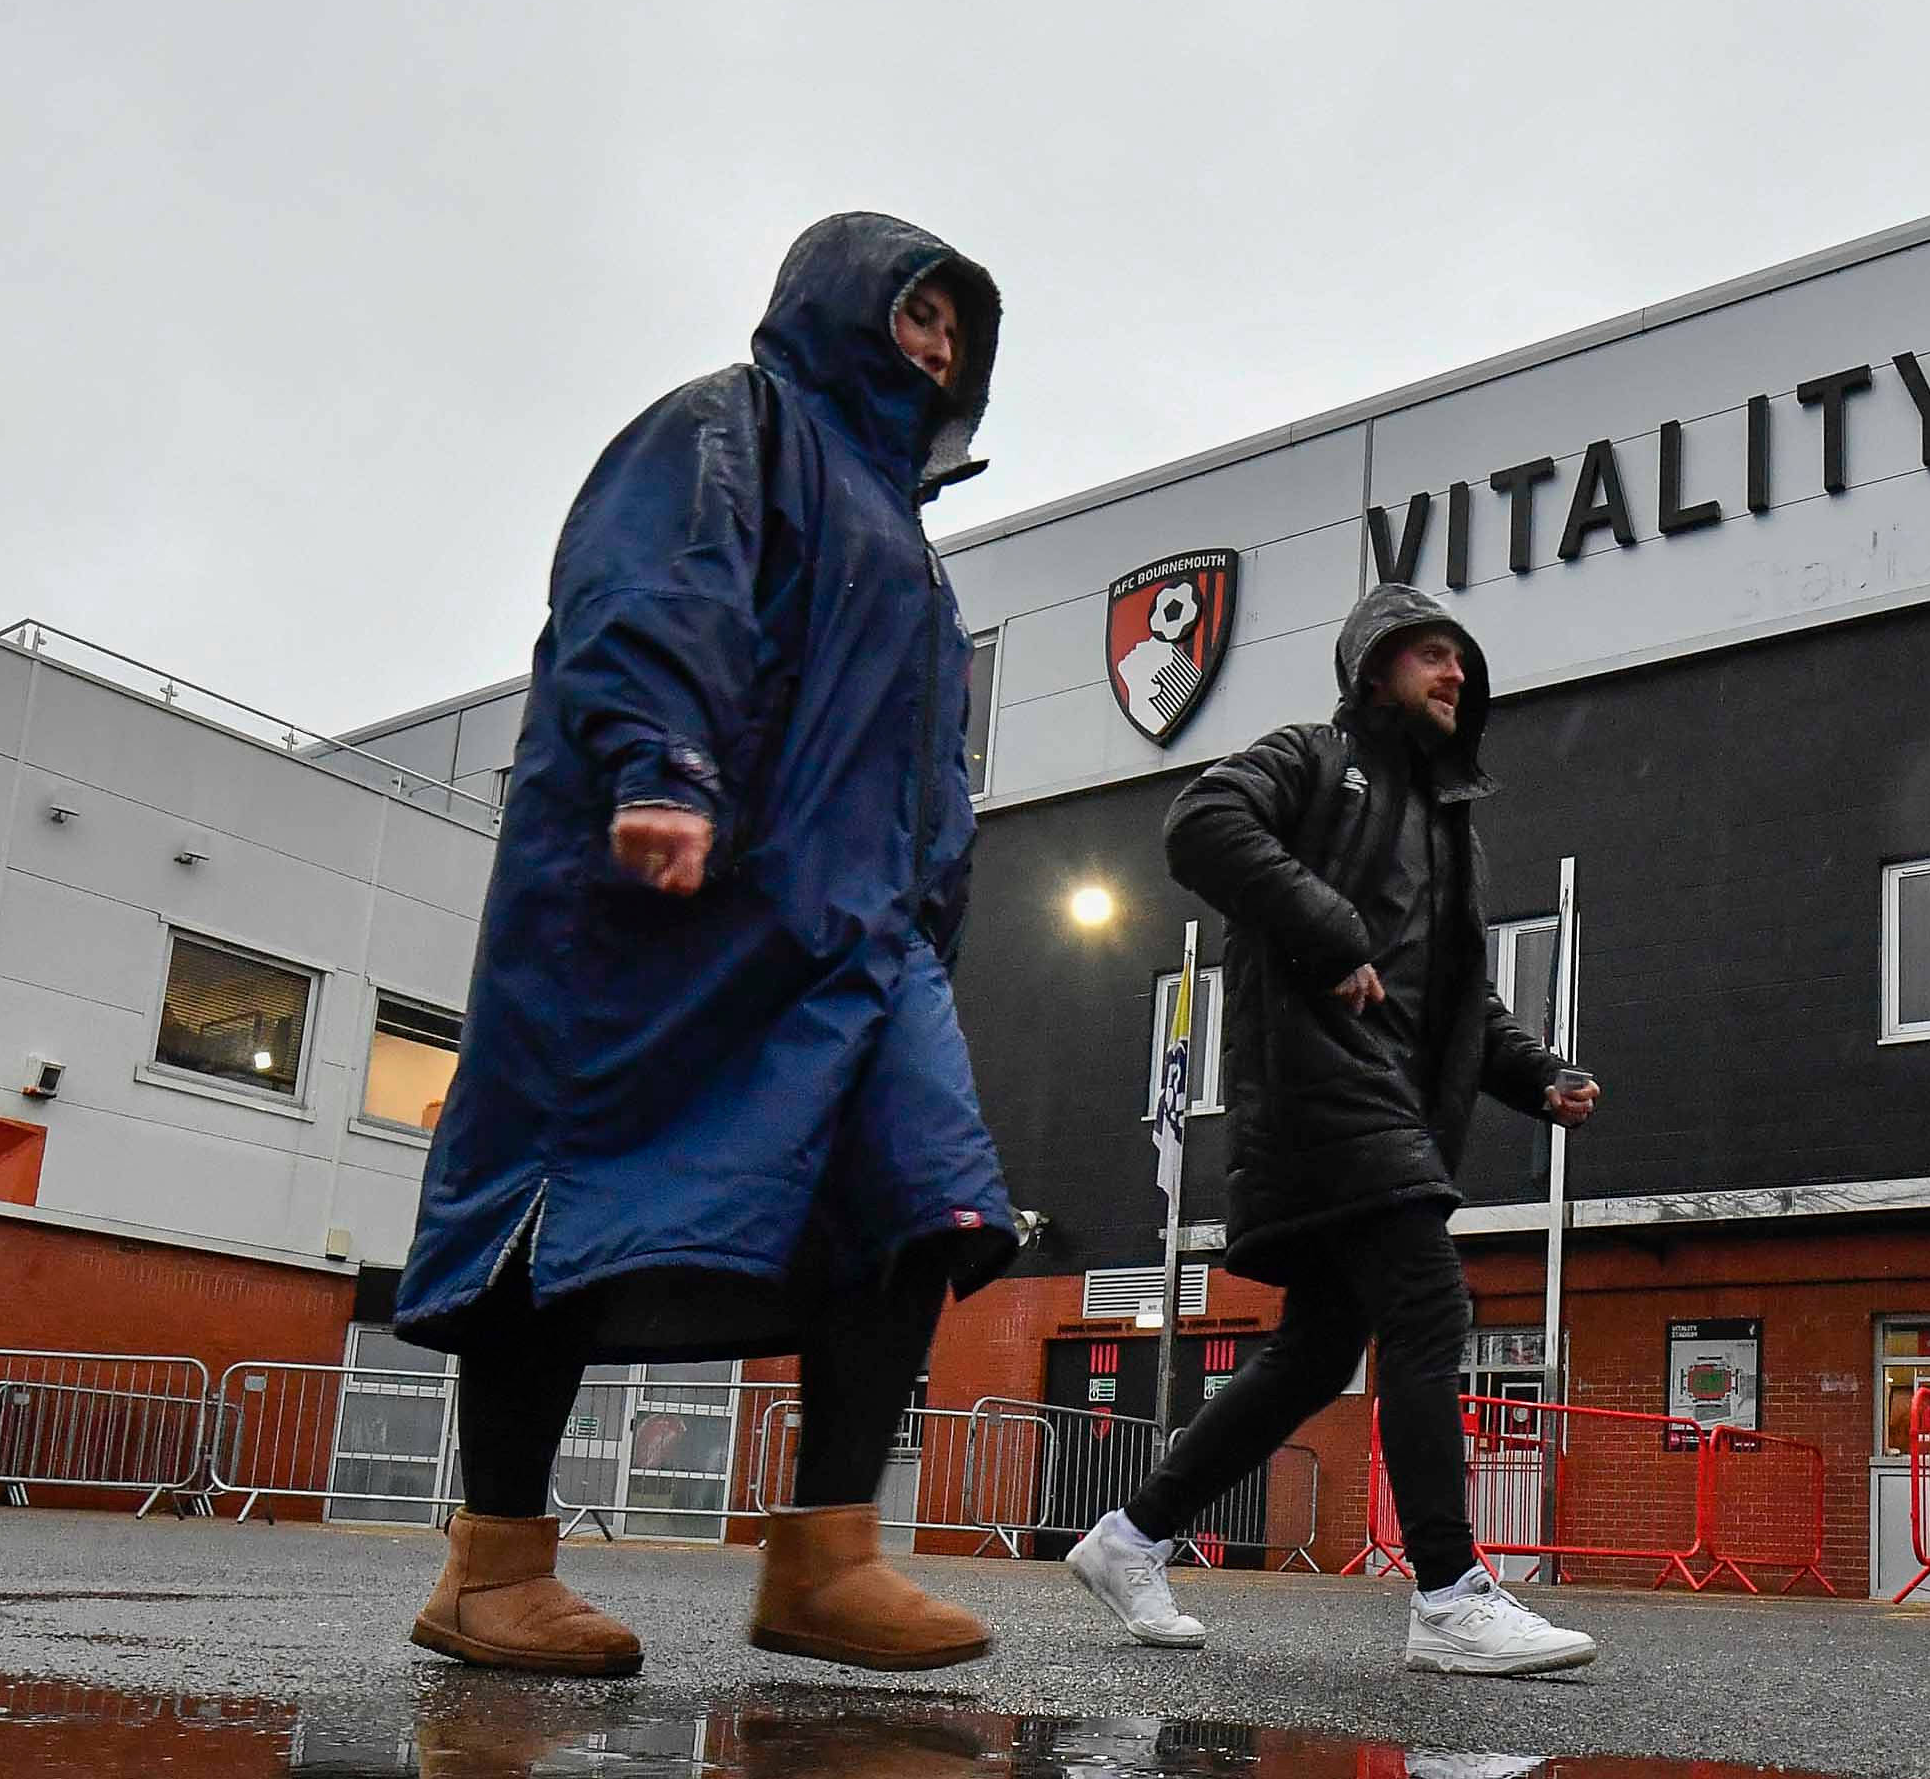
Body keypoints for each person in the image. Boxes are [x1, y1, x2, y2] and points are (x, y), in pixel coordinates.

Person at [393, 214, 1017, 1680]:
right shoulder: (723, 430)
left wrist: (933, 911)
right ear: (839, 305)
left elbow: (928, 764)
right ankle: (493, 1563)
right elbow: (644, 594)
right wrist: (661, 766)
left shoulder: (913, 548)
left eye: (956, 328)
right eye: (914, 311)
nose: (933, 344)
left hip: (855, 938)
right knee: (562, 1190)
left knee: (924, 1192)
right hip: (670, 902)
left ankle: (828, 1556)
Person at [1063, 583, 1601, 1678]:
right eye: (1430, 655)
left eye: (1464, 661)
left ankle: (1128, 1535)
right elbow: (1200, 822)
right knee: (1425, 1298)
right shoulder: (1314, 758)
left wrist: (1536, 1072)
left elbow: (1455, 1002)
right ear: (1372, 667)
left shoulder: (1453, 831)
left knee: (1316, 1351)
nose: (1455, 674)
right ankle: (1449, 1592)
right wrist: (1325, 927)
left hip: (1389, 1107)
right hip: (1320, 1090)